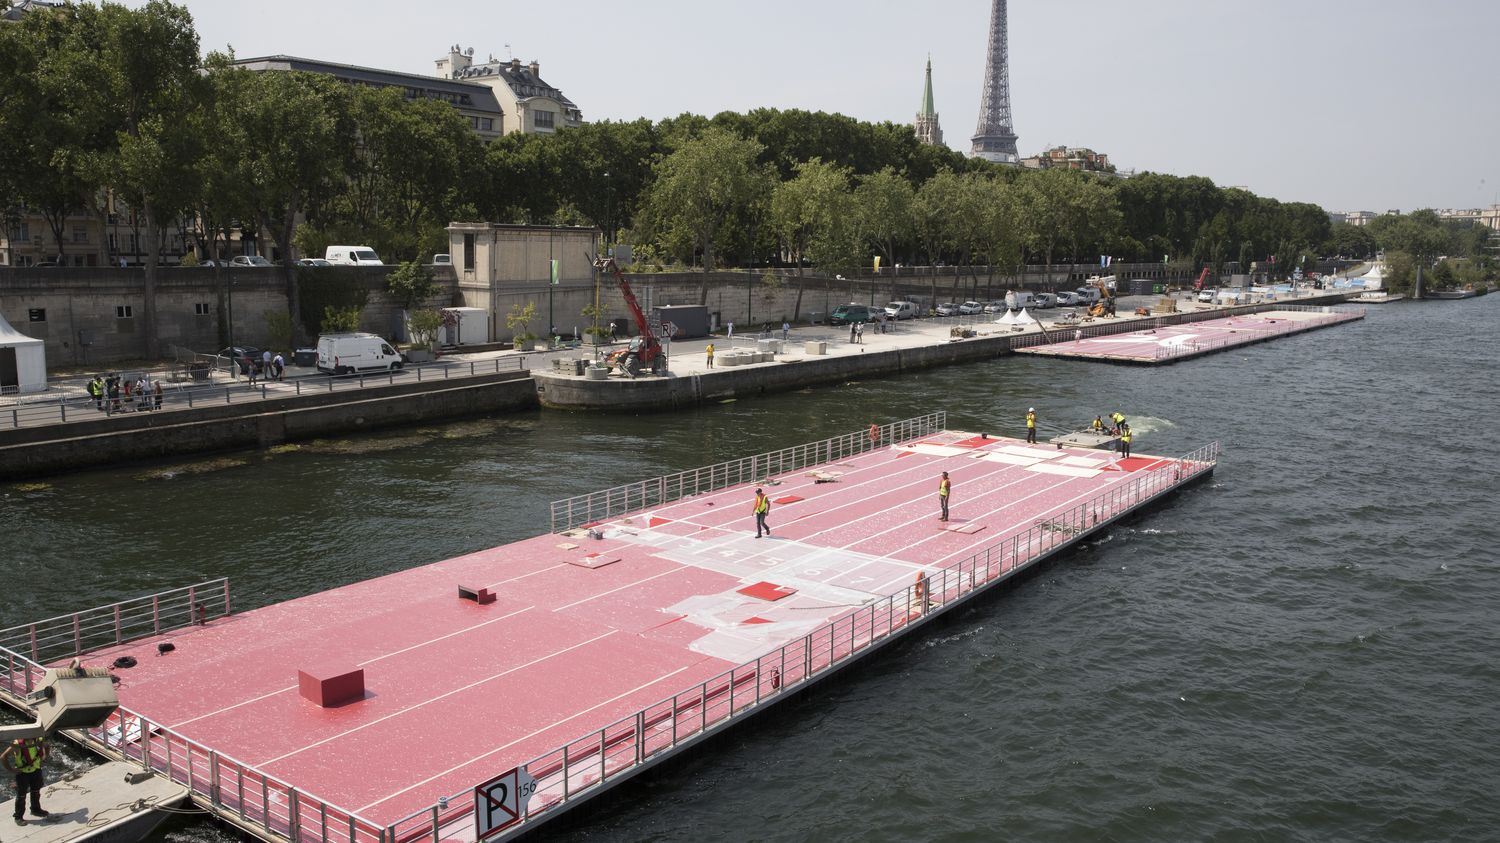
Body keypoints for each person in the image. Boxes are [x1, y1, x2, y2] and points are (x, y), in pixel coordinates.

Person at [4, 735, 49, 824]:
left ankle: (35, 809)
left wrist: (44, 757)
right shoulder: (17, 744)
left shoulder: (38, 740)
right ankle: (18, 817)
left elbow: (47, 746)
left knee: (36, 791)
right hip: (22, 773)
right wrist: (11, 769)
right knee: (21, 796)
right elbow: (3, 756)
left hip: (36, 769)